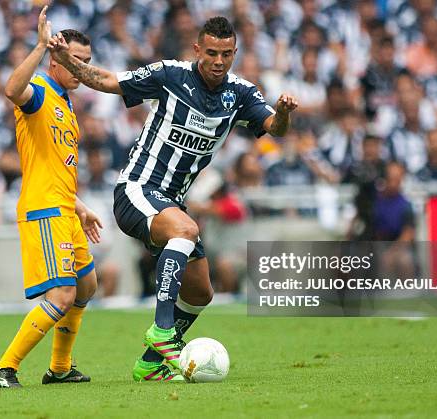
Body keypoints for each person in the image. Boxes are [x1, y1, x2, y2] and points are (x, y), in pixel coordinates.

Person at [48, 16, 297, 382]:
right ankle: (162, 331)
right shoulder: (170, 75)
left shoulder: (240, 93)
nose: (218, 61)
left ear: (235, 54)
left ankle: (150, 363)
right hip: (136, 189)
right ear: (197, 49)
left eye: (226, 54)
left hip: (171, 203)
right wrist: (68, 61)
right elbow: (107, 81)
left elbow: (274, 128)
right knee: (186, 228)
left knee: (200, 292)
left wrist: (285, 115)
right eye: (211, 52)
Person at [0, 6, 103, 389]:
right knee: (63, 292)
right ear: (56, 58)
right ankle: (3, 369)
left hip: (65, 208)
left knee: (86, 286)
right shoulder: (39, 93)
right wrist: (39, 46)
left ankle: (59, 368)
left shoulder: (68, 107)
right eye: (74, 59)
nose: (81, 68)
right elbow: (10, 90)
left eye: (86, 61)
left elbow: (57, 168)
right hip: (43, 210)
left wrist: (81, 207)